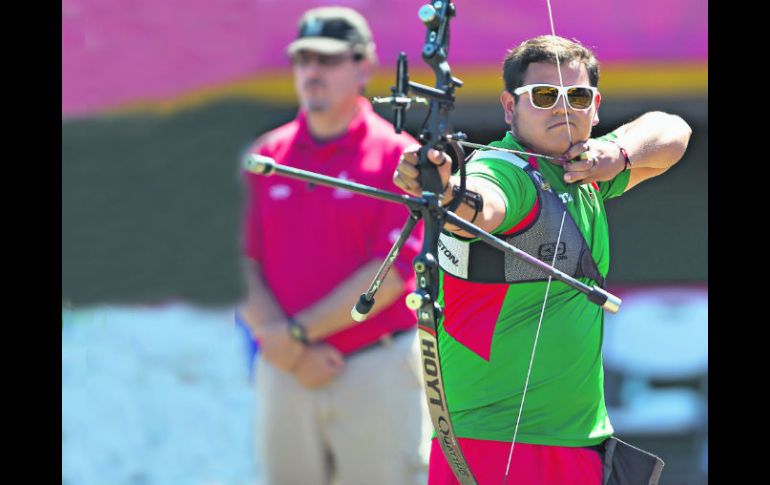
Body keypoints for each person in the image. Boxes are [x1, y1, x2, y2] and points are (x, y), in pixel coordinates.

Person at [393, 35, 692, 485]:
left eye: (578, 96)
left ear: (595, 106)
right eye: (545, 95)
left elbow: (673, 131)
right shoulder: (506, 172)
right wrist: (445, 191)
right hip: (495, 447)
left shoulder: (585, 173)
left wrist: (617, 154)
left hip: (578, 443)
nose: (563, 108)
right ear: (510, 108)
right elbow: (481, 207)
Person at [238, 6, 429, 485]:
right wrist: (288, 347)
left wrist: (295, 337)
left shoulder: (396, 156)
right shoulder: (266, 155)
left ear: (364, 66)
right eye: (304, 59)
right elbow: (235, 264)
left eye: (328, 60)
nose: (313, 72)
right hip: (284, 369)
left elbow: (390, 275)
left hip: (373, 367)